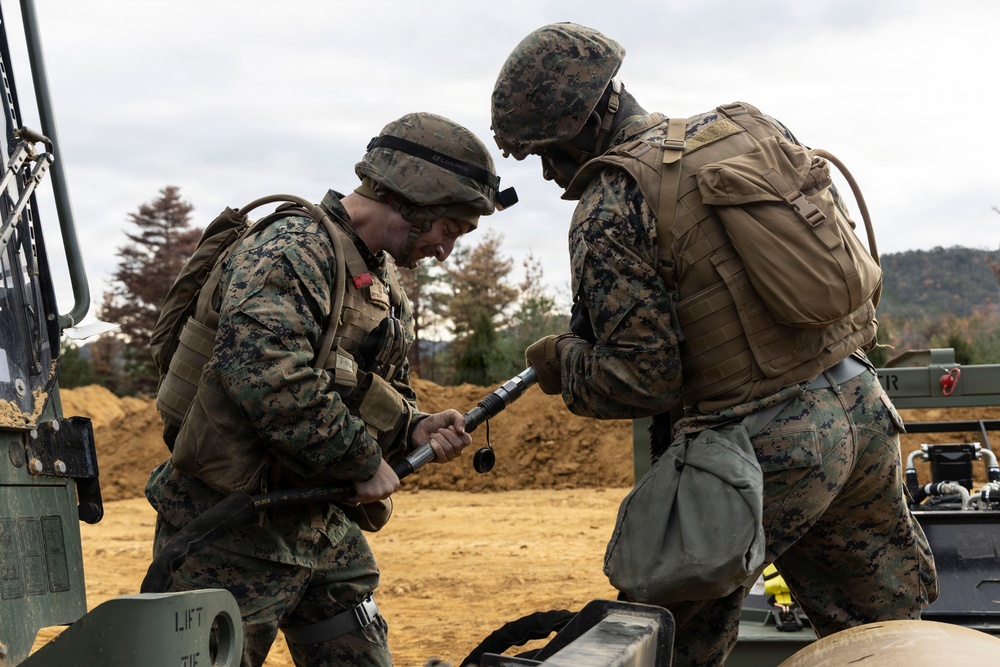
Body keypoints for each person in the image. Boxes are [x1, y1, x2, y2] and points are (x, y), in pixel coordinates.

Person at [490, 22, 937, 666]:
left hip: (762, 446)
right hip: (860, 407)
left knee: (657, 634)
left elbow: (644, 381)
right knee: (882, 631)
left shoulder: (612, 202)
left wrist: (566, 364)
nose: (548, 171)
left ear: (580, 125)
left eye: (544, 152)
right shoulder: (748, 131)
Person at [145, 112, 517, 667]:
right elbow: (266, 374)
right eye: (449, 229)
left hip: (318, 525)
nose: (446, 250)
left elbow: (373, 385)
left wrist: (413, 425)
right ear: (415, 199)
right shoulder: (292, 247)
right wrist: (361, 459)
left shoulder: (381, 278)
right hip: (230, 530)